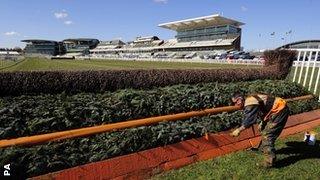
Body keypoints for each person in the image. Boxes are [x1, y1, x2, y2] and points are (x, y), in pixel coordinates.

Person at [230, 93, 290, 167]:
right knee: (263, 128)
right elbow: (264, 107)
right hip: (276, 109)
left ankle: (269, 162)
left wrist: (238, 130)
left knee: (267, 135)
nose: (235, 105)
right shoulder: (250, 100)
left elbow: (249, 120)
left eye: (235, 103)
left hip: (280, 110)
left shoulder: (250, 103)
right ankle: (263, 149)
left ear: (239, 100)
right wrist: (263, 122)